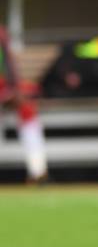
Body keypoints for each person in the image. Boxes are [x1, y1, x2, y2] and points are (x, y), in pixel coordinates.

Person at [0, 26, 48, 181]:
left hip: (3, 87)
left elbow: (9, 65)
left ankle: (38, 170)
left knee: (27, 109)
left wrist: (12, 90)